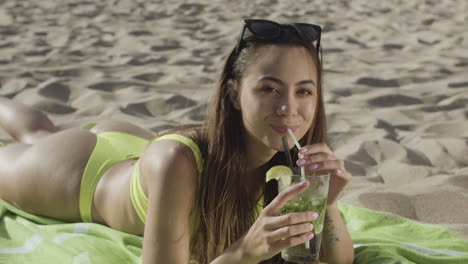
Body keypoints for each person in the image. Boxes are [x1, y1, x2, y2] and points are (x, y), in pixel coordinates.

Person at [0, 19, 354, 264]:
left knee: (40, 130)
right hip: (80, 175)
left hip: (142, 148)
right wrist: (244, 253)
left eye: (303, 91)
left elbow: (341, 260)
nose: (288, 108)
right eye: (269, 88)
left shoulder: (298, 161)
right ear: (233, 95)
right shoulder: (179, 164)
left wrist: (330, 205)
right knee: (37, 137)